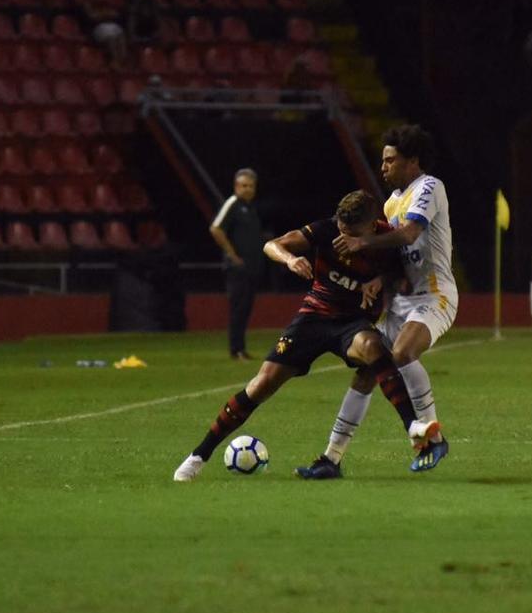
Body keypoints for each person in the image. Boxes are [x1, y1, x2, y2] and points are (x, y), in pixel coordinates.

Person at [173, 190, 439, 481]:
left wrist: (379, 281)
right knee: (261, 385)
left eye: (350, 233)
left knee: (373, 347)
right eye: (341, 229)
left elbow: (400, 277)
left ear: (371, 226)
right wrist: (289, 260)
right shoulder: (325, 229)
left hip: (353, 322)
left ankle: (412, 426)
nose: (342, 237)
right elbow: (272, 245)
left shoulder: (386, 241)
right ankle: (198, 455)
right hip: (314, 317)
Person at [298, 124, 457, 477]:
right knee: (367, 373)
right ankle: (331, 459)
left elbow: (411, 232)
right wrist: (378, 278)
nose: (383, 167)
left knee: (401, 354)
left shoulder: (429, 187)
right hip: (402, 300)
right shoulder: (389, 203)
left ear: (412, 161)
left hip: (435, 294)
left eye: (390, 160)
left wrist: (361, 243)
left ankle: (433, 437)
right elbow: (398, 255)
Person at [210, 169, 266, 360]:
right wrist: (232, 255)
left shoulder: (250, 208)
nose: (247, 189)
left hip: (251, 266)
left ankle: (241, 348)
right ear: (236, 186)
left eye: (250, 186)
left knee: (245, 308)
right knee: (238, 307)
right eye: (243, 185)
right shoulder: (232, 204)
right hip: (237, 267)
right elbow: (216, 228)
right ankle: (236, 349)